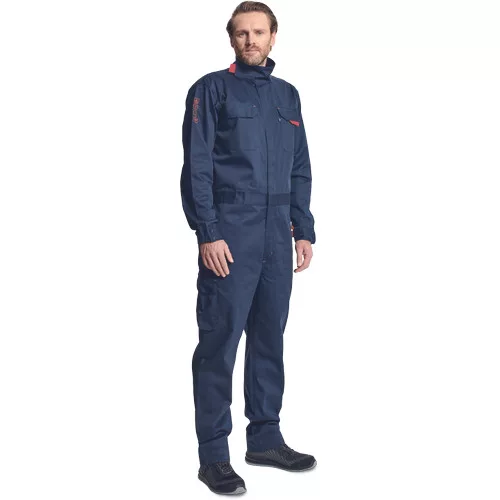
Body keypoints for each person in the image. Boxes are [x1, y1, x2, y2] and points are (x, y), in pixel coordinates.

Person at [180, 2, 317, 495]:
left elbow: (299, 167)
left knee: (268, 338)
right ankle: (214, 455)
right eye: (242, 33)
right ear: (231, 38)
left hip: (277, 235)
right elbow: (197, 166)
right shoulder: (210, 90)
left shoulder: (287, 96)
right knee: (219, 342)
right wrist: (208, 232)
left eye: (259, 32)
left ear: (273, 36)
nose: (251, 40)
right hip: (231, 233)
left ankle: (265, 439)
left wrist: (303, 228)